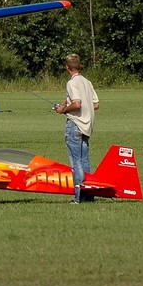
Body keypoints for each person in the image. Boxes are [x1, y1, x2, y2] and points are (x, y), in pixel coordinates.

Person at [54, 53, 99, 203]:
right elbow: (95, 104)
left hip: (75, 125)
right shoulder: (87, 82)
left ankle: (78, 197)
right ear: (79, 67)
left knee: (76, 162)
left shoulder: (71, 83)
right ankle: (88, 196)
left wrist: (64, 110)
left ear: (67, 68)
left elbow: (77, 103)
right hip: (87, 126)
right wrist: (69, 105)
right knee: (85, 160)